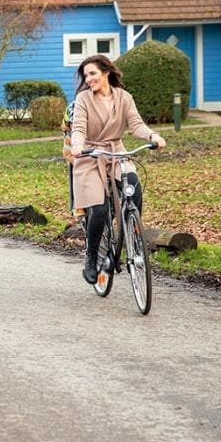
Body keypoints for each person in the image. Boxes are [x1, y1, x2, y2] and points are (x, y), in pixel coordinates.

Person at [70, 54, 166, 285]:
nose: (89, 79)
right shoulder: (84, 99)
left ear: (106, 72)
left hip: (116, 152)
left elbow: (136, 124)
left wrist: (153, 136)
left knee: (134, 189)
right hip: (90, 156)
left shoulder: (124, 97)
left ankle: (130, 238)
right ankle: (92, 257)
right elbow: (79, 127)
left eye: (92, 73)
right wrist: (77, 145)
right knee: (100, 209)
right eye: (86, 76)